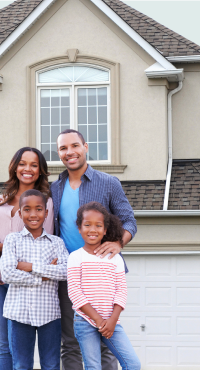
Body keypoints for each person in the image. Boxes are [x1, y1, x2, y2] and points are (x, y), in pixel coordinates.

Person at [51, 129, 137, 370]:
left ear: (85, 147)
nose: (69, 152)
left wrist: (119, 243)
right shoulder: (55, 188)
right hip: (70, 275)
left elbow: (129, 221)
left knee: (105, 338)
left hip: (102, 274)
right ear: (59, 153)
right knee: (70, 341)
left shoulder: (108, 183)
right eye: (63, 148)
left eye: (74, 146)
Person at [0, 147, 54, 370]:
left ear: (40, 171)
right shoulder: (0, 199)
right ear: (14, 166)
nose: (27, 169)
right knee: (1, 345)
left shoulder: (44, 204)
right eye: (22, 163)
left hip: (21, 279)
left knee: (18, 348)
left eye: (34, 165)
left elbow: (39, 242)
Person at [1, 189, 69, 370]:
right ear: (20, 212)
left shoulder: (56, 243)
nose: (33, 214)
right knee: (21, 365)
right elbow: (7, 274)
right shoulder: (12, 240)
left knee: (51, 365)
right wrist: (45, 275)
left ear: (46, 213)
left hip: (49, 315)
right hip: (18, 314)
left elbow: (65, 272)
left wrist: (31, 267)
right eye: (27, 209)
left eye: (39, 209)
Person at [68, 202, 141, 370]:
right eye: (87, 225)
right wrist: (98, 320)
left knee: (133, 364)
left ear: (105, 230)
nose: (92, 230)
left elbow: (121, 291)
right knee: (93, 366)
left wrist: (112, 320)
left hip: (112, 321)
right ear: (79, 228)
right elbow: (74, 292)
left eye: (98, 225)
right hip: (85, 321)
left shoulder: (114, 258)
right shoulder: (75, 257)